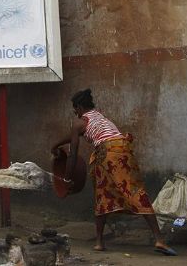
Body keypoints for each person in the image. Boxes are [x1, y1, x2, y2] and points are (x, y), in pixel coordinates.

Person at [51, 89, 178, 256]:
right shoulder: (99, 117)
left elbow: (73, 153)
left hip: (107, 155)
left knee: (104, 197)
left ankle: (101, 242)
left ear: (80, 107)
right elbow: (73, 135)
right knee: (133, 192)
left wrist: (66, 179)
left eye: (75, 109)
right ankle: (155, 239)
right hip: (124, 151)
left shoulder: (79, 122)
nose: (75, 113)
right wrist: (56, 145)